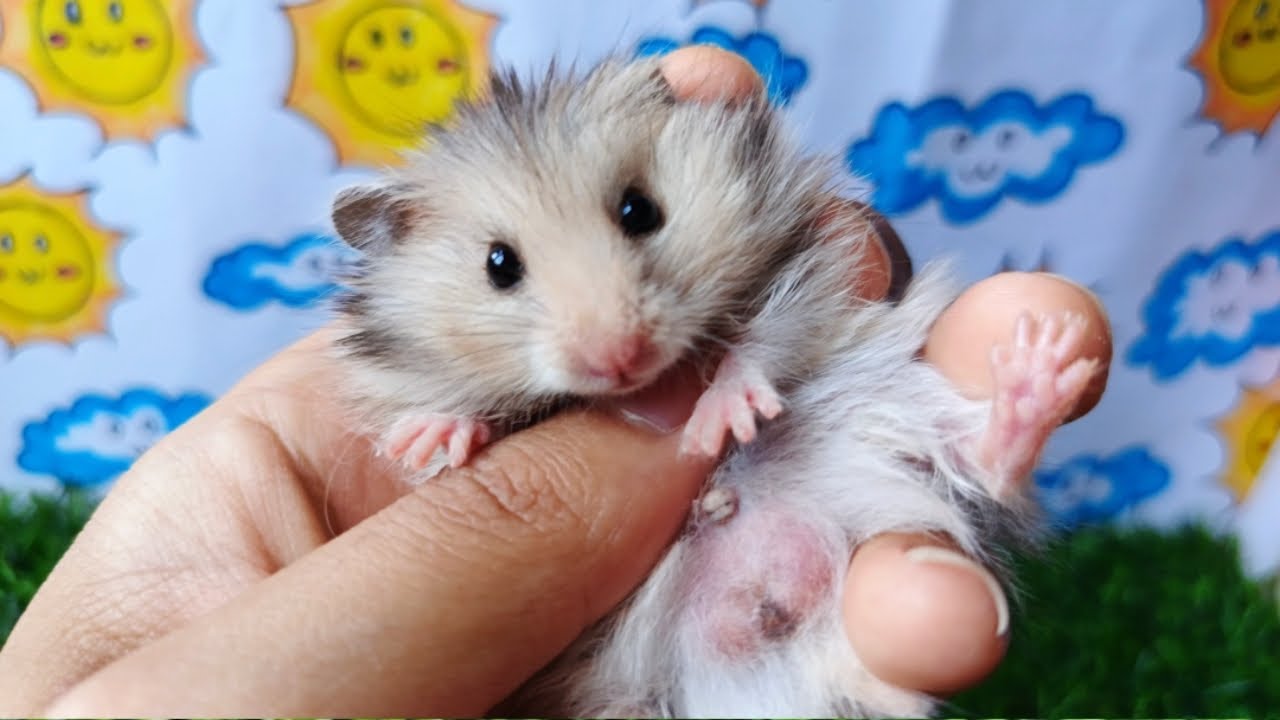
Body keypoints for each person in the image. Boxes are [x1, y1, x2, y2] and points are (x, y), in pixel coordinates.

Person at [0, 46, 1111, 716]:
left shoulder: (771, 212)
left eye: (635, 214)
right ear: (396, 248)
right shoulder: (381, 397)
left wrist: (746, 363)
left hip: (811, 491)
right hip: (661, 645)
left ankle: (988, 442)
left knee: (887, 396)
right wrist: (458, 427)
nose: (610, 343)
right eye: (502, 270)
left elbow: (817, 287)